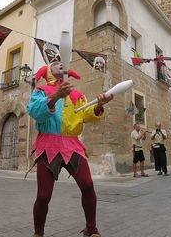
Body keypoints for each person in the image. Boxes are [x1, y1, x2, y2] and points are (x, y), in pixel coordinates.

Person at [28, 62, 113, 237]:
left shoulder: (77, 95)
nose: (60, 63)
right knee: (44, 195)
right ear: (48, 72)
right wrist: (57, 96)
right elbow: (36, 112)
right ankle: (38, 233)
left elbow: (86, 114)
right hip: (48, 144)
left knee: (88, 185)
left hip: (72, 144)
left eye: (62, 63)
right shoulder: (41, 91)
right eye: (55, 64)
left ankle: (91, 230)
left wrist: (98, 105)